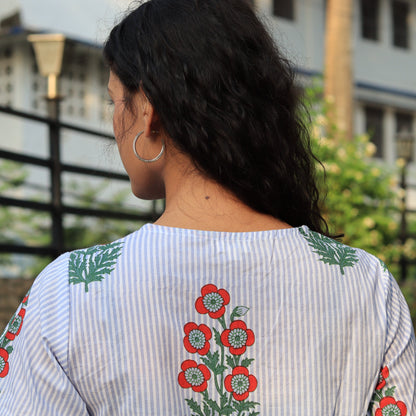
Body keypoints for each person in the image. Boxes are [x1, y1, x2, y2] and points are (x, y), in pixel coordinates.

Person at [0, 0, 415, 414]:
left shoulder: (68, 296)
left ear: (147, 111)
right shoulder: (367, 287)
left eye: (114, 101)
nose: (113, 125)